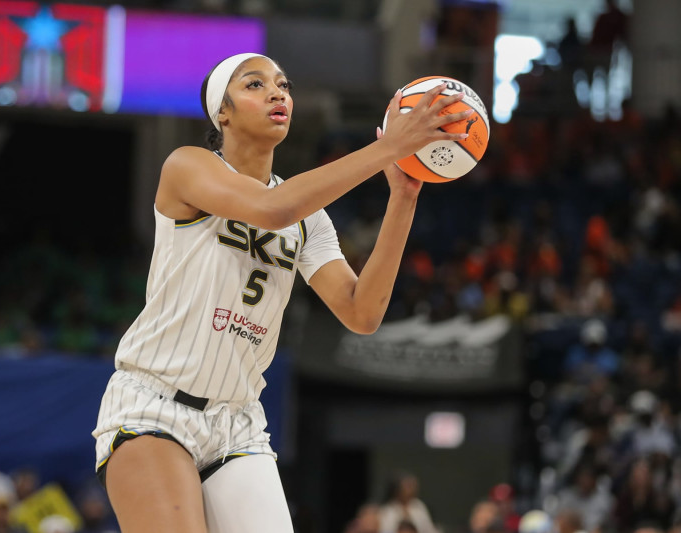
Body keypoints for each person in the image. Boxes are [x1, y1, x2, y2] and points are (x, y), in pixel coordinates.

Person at [91, 52, 471, 533]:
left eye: (284, 85)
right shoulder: (188, 167)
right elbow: (271, 210)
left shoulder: (310, 219)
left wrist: (403, 197)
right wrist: (386, 149)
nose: (277, 93)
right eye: (255, 85)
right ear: (221, 112)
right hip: (155, 407)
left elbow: (362, 312)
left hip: (238, 422)